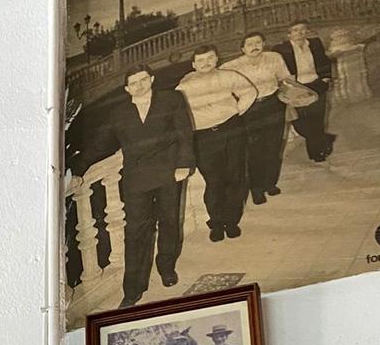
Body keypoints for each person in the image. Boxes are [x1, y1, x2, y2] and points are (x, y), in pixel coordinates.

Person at [97, 65, 194, 308]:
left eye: (143, 80)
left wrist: (183, 164)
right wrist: (77, 169)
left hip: (169, 171)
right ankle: (133, 288)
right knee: (136, 231)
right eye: (134, 83)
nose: (139, 85)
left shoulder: (171, 99)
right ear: (127, 88)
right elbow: (101, 142)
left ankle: (167, 266)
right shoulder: (118, 112)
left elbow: (184, 132)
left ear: (151, 79)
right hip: (136, 177)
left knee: (169, 221)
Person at [176, 45, 255, 240]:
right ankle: (217, 223)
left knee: (236, 177)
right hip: (203, 137)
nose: (206, 63)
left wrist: (235, 112)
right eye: (201, 60)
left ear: (216, 59)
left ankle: (232, 221)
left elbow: (250, 92)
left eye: (210, 58)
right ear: (194, 64)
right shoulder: (185, 85)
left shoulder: (228, 76)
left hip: (232, 131)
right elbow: (177, 112)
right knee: (214, 180)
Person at [222, 34, 293, 205]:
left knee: (274, 145)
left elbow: (287, 79)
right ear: (243, 49)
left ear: (263, 44)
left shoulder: (274, 58)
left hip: (274, 104)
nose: (255, 46)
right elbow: (219, 82)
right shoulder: (232, 66)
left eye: (258, 43)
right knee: (254, 150)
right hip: (250, 109)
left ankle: (270, 183)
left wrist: (292, 97)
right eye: (250, 44)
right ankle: (256, 189)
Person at [273, 22, 336, 161]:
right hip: (297, 88)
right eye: (295, 30)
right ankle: (324, 139)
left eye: (303, 29)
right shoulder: (281, 49)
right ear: (289, 34)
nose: (300, 33)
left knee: (317, 120)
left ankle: (317, 155)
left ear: (307, 31)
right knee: (299, 122)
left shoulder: (315, 43)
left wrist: (325, 78)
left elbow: (324, 61)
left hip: (316, 84)